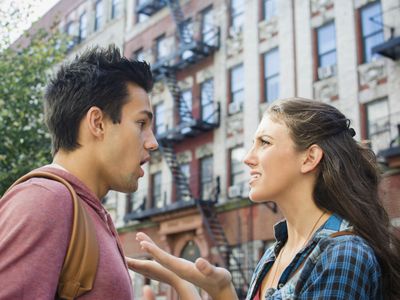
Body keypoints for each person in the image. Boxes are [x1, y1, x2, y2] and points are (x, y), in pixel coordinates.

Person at [127, 98, 400, 300]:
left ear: (309, 158)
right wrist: (207, 289)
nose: (247, 158)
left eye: (264, 142)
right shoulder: (274, 254)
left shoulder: (343, 255)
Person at [0, 46, 159, 299]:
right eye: (141, 123)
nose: (152, 142)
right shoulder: (46, 200)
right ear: (97, 123)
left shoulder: (85, 211)